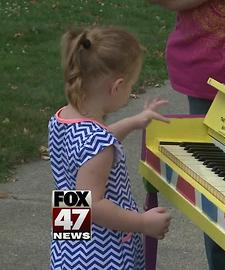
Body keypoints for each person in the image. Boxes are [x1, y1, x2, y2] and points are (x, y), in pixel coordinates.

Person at [49, 26, 171, 269]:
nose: (131, 91)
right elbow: (92, 204)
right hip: (101, 253)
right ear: (116, 87)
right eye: (131, 86)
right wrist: (142, 223)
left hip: (71, 244)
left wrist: (134, 122)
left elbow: (91, 148)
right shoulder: (98, 143)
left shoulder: (62, 118)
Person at [149, 1, 225, 269]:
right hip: (94, 253)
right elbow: (83, 199)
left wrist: (68, 251)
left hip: (81, 252)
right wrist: (136, 223)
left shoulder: (82, 132)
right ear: (116, 87)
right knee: (222, 193)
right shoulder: (95, 142)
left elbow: (72, 196)